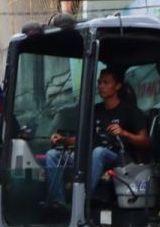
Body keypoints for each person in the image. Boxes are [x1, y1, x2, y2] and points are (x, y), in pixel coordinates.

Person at [45, 68, 150, 205]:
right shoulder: (96, 110)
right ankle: (58, 203)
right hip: (93, 155)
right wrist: (62, 140)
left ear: (117, 86)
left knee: (99, 152)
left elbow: (145, 141)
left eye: (106, 83)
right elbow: (84, 140)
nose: (101, 86)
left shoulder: (130, 111)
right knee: (52, 155)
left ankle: (82, 201)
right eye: (100, 82)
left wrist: (124, 133)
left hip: (119, 156)